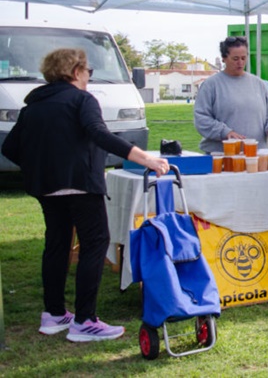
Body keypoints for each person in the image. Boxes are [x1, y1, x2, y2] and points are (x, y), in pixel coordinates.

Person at [1, 48, 170, 342]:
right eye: (88, 71)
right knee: (95, 243)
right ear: (75, 71)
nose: (89, 77)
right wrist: (146, 158)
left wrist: (41, 165)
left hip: (46, 187)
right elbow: (99, 133)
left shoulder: (33, 106)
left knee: (56, 244)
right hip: (80, 183)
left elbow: (9, 148)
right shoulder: (82, 100)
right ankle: (85, 320)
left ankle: (54, 314)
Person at [193, 35, 268, 154]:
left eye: (243, 58)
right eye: (235, 59)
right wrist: (225, 132)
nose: (240, 63)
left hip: (255, 155)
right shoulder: (211, 85)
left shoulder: (258, 84)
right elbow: (201, 118)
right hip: (221, 156)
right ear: (224, 58)